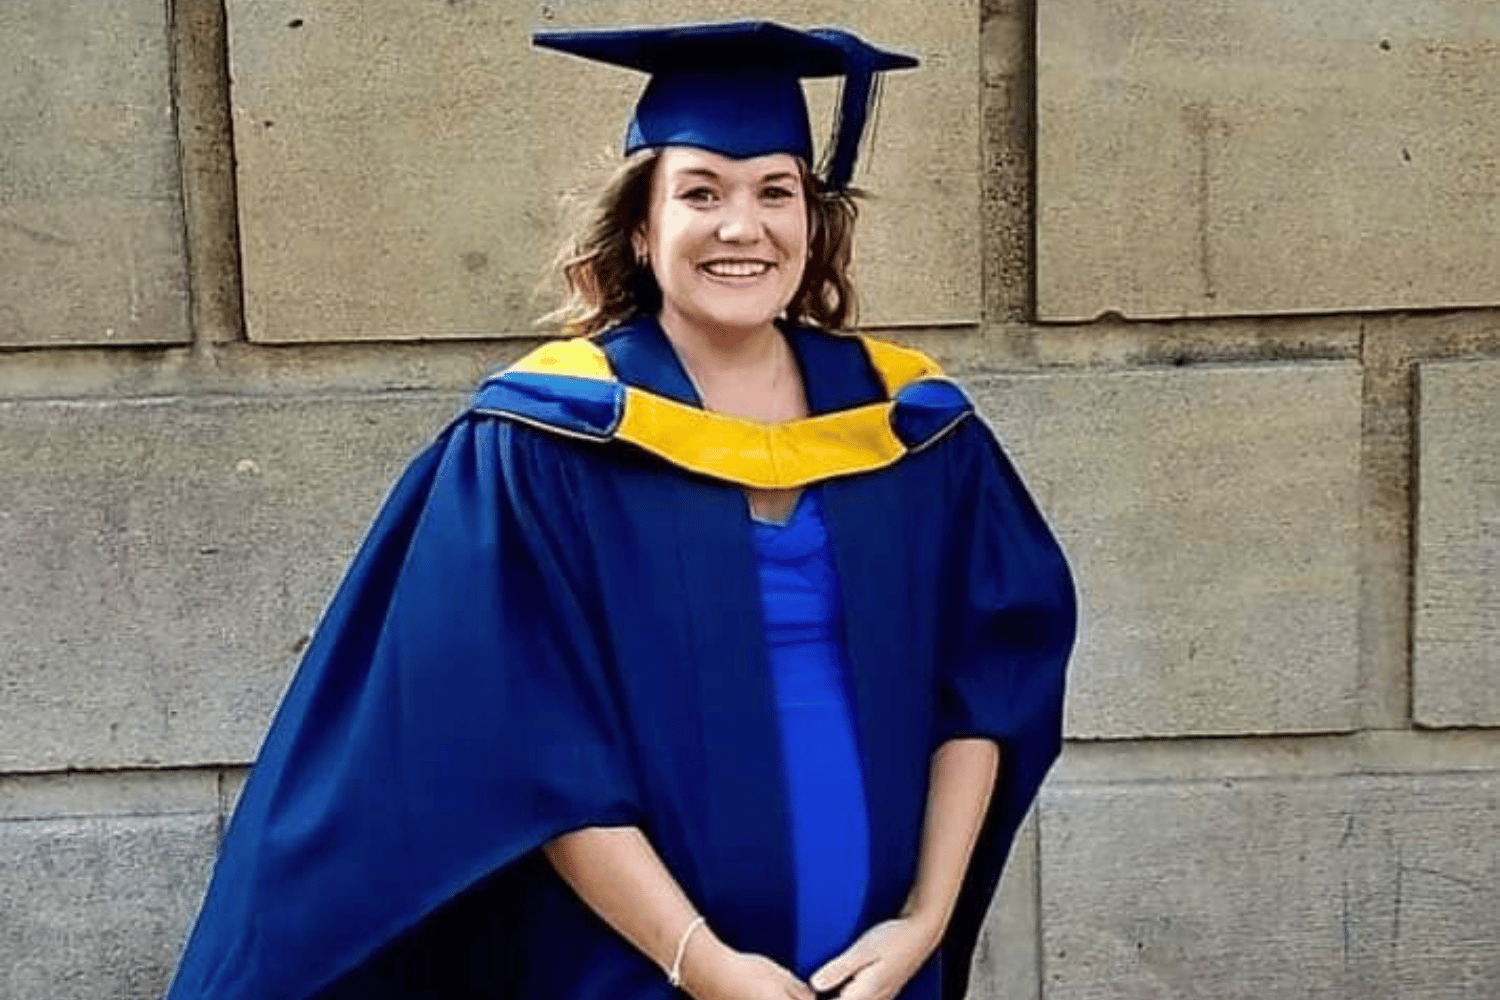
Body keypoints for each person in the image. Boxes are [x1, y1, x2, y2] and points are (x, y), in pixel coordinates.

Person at [165, 20, 1075, 1000]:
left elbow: (982, 684)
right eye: (700, 193)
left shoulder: (917, 431)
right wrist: (707, 965)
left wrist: (923, 923)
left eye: (775, 191)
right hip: (634, 972)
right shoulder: (546, 441)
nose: (742, 225)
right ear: (641, 229)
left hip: (873, 974)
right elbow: (527, 741)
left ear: (813, 224)